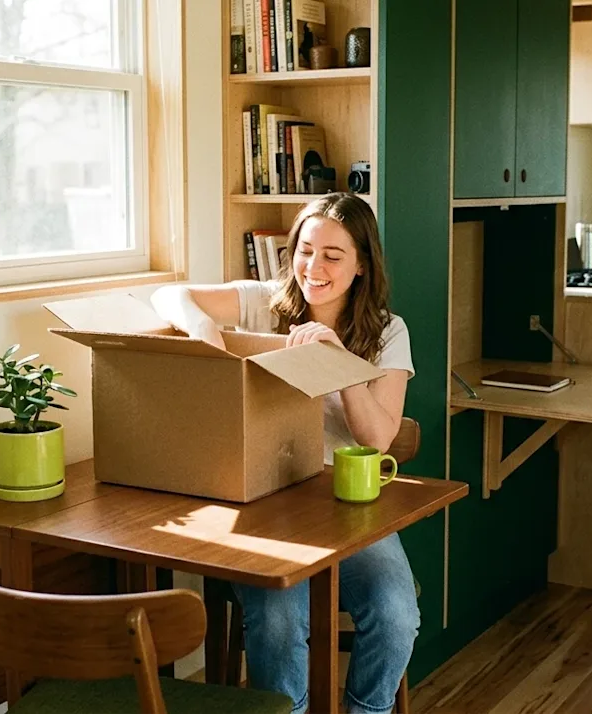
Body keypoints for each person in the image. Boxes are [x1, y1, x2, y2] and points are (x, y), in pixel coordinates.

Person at [150, 192, 419, 714]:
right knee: (277, 618)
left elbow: (377, 441)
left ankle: (368, 710)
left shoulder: (387, 332)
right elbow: (168, 294)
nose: (313, 267)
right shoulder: (263, 301)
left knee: (395, 613)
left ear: (361, 265)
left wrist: (338, 365)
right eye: (304, 250)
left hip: (346, 507)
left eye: (332, 256)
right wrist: (204, 330)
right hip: (262, 502)